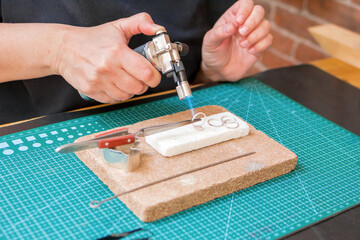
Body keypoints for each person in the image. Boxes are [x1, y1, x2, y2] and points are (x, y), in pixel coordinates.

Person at [0, 0, 272, 124]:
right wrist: (59, 49)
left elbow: (196, 58)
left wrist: (211, 71)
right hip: (35, 136)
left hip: (162, 124)